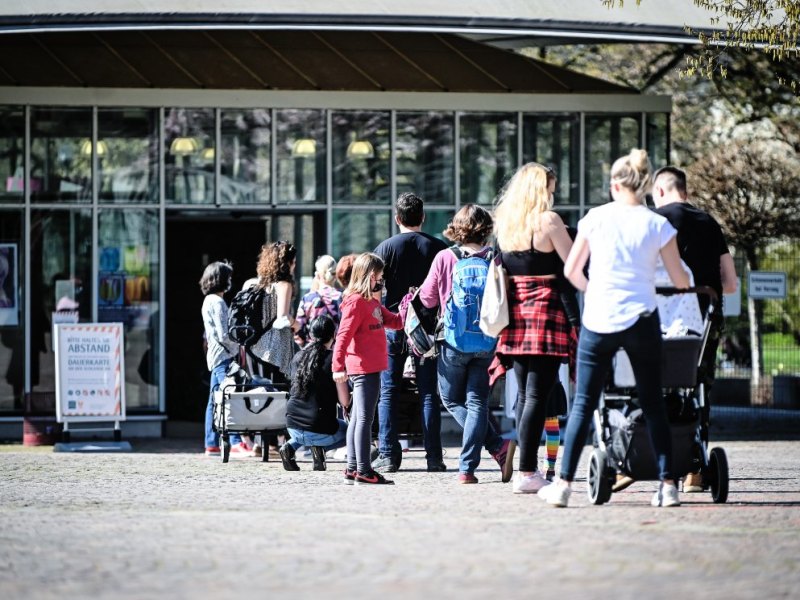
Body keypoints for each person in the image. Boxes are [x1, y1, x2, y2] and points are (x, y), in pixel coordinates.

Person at [539, 148, 690, 508]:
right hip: (642, 318)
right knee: (653, 401)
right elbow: (680, 280)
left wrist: (598, 292)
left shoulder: (595, 219)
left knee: (582, 403)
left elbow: (573, 272)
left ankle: (562, 485)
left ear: (615, 185)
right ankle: (668, 485)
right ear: (644, 184)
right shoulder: (658, 225)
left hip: (600, 319)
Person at [652, 165, 738, 492]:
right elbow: (729, 283)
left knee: (652, 385)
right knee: (698, 387)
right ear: (685, 191)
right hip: (704, 320)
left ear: (659, 191)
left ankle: (657, 461)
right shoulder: (709, 223)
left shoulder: (654, 221)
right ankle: (695, 471)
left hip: (660, 320)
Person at [492, 163, 575, 494]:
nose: (553, 195)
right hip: (546, 315)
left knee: (527, 395)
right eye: (551, 188)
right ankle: (527, 471)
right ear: (541, 190)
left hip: (515, 318)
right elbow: (573, 265)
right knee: (538, 397)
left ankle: (527, 469)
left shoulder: (507, 225)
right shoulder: (549, 222)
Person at [418, 205, 515, 484]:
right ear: (486, 229)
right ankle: (471, 466)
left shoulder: (445, 257)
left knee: (450, 399)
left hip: (453, 341)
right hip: (487, 339)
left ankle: (494, 448)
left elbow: (427, 300)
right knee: (477, 402)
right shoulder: (496, 258)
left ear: (457, 227)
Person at [373, 193, 448, 473]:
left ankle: (389, 454)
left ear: (397, 218)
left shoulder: (385, 248)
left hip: (394, 325)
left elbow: (373, 288)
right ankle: (434, 457)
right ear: (423, 217)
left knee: (389, 389)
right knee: (429, 392)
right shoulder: (438, 249)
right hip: (427, 329)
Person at [333, 252, 404, 486]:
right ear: (371, 276)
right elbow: (342, 336)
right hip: (363, 367)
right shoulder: (355, 302)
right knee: (364, 417)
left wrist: (411, 305)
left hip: (370, 366)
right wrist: (338, 366)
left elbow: (395, 321)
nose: (381, 280)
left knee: (357, 418)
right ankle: (364, 469)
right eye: (380, 276)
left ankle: (353, 468)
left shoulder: (372, 302)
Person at [279, 315, 352, 471]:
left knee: (310, 429)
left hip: (292, 426)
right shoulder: (334, 360)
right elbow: (345, 401)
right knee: (350, 431)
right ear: (334, 335)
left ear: (311, 334)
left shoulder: (298, 356)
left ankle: (290, 447)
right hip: (320, 428)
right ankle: (320, 449)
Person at [199, 260, 246, 457]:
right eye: (228, 278)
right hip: (224, 356)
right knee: (230, 396)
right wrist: (238, 347)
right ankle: (234, 441)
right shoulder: (217, 302)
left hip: (215, 356)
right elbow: (223, 334)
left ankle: (211, 443)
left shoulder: (208, 300)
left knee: (215, 399)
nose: (230, 282)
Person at [249, 241, 300, 385]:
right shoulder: (284, 285)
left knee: (262, 399)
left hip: (257, 346)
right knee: (277, 397)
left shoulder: (262, 284)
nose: (295, 266)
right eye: (293, 262)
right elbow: (282, 318)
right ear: (287, 263)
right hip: (275, 351)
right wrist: (297, 324)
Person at [294, 255, 343, 348]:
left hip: (311, 353)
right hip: (335, 353)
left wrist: (304, 347)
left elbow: (298, 328)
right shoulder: (341, 298)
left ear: (317, 275)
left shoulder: (308, 298)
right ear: (334, 275)